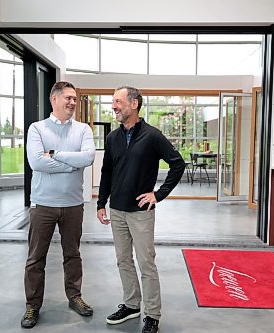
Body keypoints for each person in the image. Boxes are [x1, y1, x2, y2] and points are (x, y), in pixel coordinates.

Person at [96, 86, 185, 333]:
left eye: (118, 101)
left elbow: (178, 164)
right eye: (113, 102)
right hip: (117, 211)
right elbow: (106, 173)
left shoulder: (152, 136)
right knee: (123, 260)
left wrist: (158, 194)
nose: (113, 106)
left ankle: (153, 315)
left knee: (146, 263)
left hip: (140, 213)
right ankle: (132, 304)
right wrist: (101, 203)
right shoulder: (112, 138)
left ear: (133, 104)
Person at [21, 81, 95, 329]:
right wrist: (72, 164)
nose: (73, 102)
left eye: (75, 98)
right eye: (68, 98)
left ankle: (75, 297)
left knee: (72, 255)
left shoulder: (83, 129)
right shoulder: (37, 129)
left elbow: (88, 157)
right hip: (43, 204)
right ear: (54, 99)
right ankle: (32, 306)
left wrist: (54, 154)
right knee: (35, 259)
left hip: (74, 204)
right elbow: (36, 163)